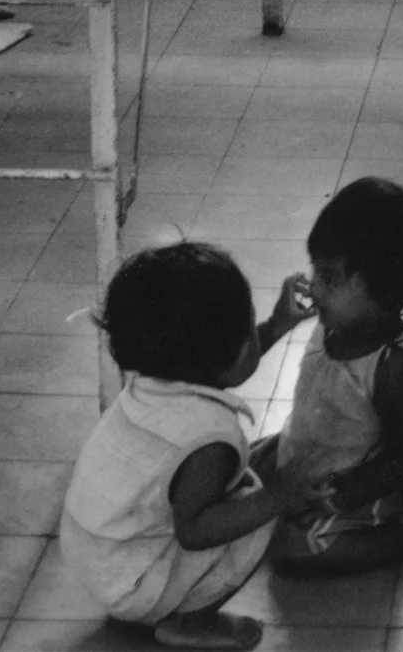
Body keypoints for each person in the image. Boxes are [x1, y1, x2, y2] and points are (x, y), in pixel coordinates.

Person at [62, 243, 326, 649]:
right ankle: (191, 623)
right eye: (249, 331)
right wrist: (277, 497)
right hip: (131, 585)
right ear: (236, 350)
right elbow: (196, 531)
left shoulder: (153, 382)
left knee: (237, 491)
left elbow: (227, 366)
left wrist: (276, 325)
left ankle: (155, 598)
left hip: (94, 558)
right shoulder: (208, 440)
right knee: (255, 508)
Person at [259, 177, 403, 578]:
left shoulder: (395, 364)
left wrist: (338, 495)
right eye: (316, 269)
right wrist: (277, 324)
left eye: (330, 278)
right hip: (307, 454)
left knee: (295, 556)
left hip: (364, 487)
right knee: (228, 474)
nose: (315, 287)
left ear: (387, 293)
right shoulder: (334, 323)